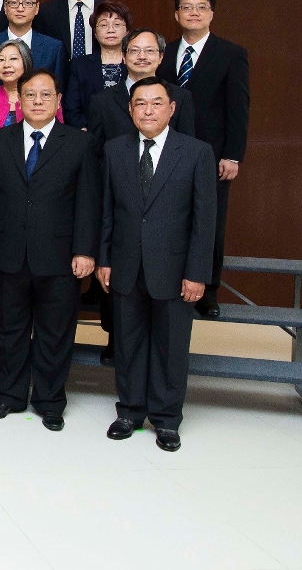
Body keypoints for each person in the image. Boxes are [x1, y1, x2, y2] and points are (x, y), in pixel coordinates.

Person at [0, 70, 100, 431]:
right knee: (9, 329)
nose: (38, 101)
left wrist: (85, 251)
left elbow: (89, 203)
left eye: (46, 95)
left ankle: (49, 400)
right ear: (20, 100)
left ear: (59, 100)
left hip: (60, 257)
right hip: (8, 252)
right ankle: (10, 396)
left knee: (55, 332)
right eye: (30, 95)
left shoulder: (78, 143)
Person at [99, 78, 216, 452]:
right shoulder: (115, 150)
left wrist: (198, 272)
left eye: (156, 103)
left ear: (171, 108)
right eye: (140, 104)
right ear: (130, 110)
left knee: (171, 346)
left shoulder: (197, 152)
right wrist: (103, 259)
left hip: (175, 268)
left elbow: (205, 220)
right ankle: (130, 411)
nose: (148, 110)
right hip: (125, 264)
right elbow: (106, 211)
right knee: (128, 343)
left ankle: (166, 420)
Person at [159, 0, 249, 320]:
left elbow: (238, 109)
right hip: (166, 151)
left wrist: (233, 154)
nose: (193, 12)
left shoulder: (231, 54)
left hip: (212, 155)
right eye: (186, 7)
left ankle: (209, 290)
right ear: (177, 14)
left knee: (210, 220)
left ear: (211, 13)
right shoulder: (163, 53)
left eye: (201, 7)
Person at [87, 29, 196, 157]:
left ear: (161, 57)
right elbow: (95, 154)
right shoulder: (101, 101)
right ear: (123, 56)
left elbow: (188, 149)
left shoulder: (180, 97)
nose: (142, 56)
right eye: (134, 51)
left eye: (149, 51)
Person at [0, 39, 64, 162]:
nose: (6, 64)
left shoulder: (43, 97)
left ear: (25, 62)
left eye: (13, 59)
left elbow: (59, 139)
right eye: (0, 60)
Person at [64, 0, 132, 128]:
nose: (110, 30)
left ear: (127, 31)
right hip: (91, 136)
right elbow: (71, 108)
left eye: (117, 24)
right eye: (103, 25)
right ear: (95, 32)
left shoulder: (135, 63)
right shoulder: (80, 65)